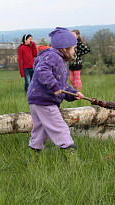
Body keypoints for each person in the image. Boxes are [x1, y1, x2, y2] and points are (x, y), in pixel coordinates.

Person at [27, 27, 84, 160]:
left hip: (37, 100)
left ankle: (34, 159)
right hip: (46, 101)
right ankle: (72, 159)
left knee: (40, 131)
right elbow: (42, 70)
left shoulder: (55, 58)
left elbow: (62, 86)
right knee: (61, 129)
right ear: (65, 48)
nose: (74, 51)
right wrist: (53, 86)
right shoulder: (54, 56)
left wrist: (74, 94)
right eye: (73, 48)